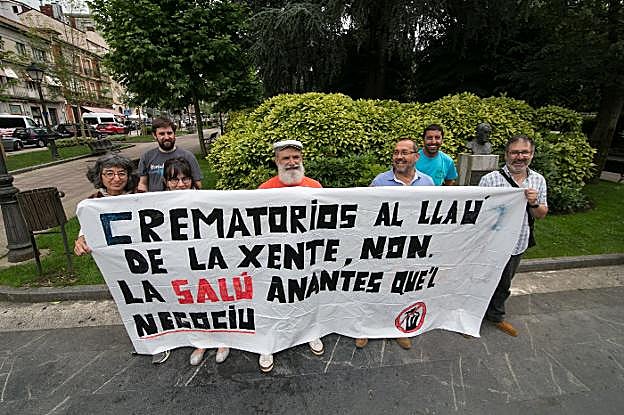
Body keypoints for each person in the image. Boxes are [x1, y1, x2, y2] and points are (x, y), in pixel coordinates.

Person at [359, 138, 434, 350]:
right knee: (375, 288)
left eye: (404, 152)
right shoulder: (380, 181)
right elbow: (367, 211)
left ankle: (398, 328)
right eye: (396, 152)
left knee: (404, 289)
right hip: (383, 247)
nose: (399, 157)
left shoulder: (428, 183)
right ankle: (366, 329)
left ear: (416, 156)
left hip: (413, 248)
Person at [257, 139, 324, 372]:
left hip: (307, 255)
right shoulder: (264, 190)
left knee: (308, 294)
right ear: (277, 161)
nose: (292, 162)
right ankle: (267, 343)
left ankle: (311, 333)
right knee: (273, 299)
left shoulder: (315, 187)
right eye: (286, 158)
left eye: (296, 157)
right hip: (275, 258)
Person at [161, 158, 230, 366]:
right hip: (181, 261)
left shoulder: (206, 200)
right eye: (174, 180)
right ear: (166, 182)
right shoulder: (157, 204)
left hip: (209, 258)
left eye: (185, 179)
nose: (180, 184)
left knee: (216, 295)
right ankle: (201, 341)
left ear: (192, 180)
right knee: (193, 299)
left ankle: (224, 339)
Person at [479, 135, 548, 337]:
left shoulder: (538, 180)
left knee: (504, 283)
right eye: (515, 152)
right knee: (481, 280)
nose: (519, 157)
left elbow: (541, 214)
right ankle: (474, 315)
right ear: (506, 155)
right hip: (490, 243)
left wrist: (534, 203)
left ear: (532, 154)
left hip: (518, 243)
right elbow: (479, 212)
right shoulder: (490, 180)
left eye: (524, 152)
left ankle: (495, 316)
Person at [74, 154, 138, 255]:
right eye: (109, 174)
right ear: (100, 176)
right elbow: (89, 224)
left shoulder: (141, 197)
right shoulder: (92, 202)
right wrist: (81, 239)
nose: (117, 179)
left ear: (129, 176)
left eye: (122, 174)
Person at [137, 117, 202, 192]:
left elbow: (197, 184)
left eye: (169, 133)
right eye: (162, 134)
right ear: (154, 135)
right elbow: (143, 184)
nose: (167, 137)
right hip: (156, 199)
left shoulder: (188, 156)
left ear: (174, 134)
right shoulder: (147, 157)